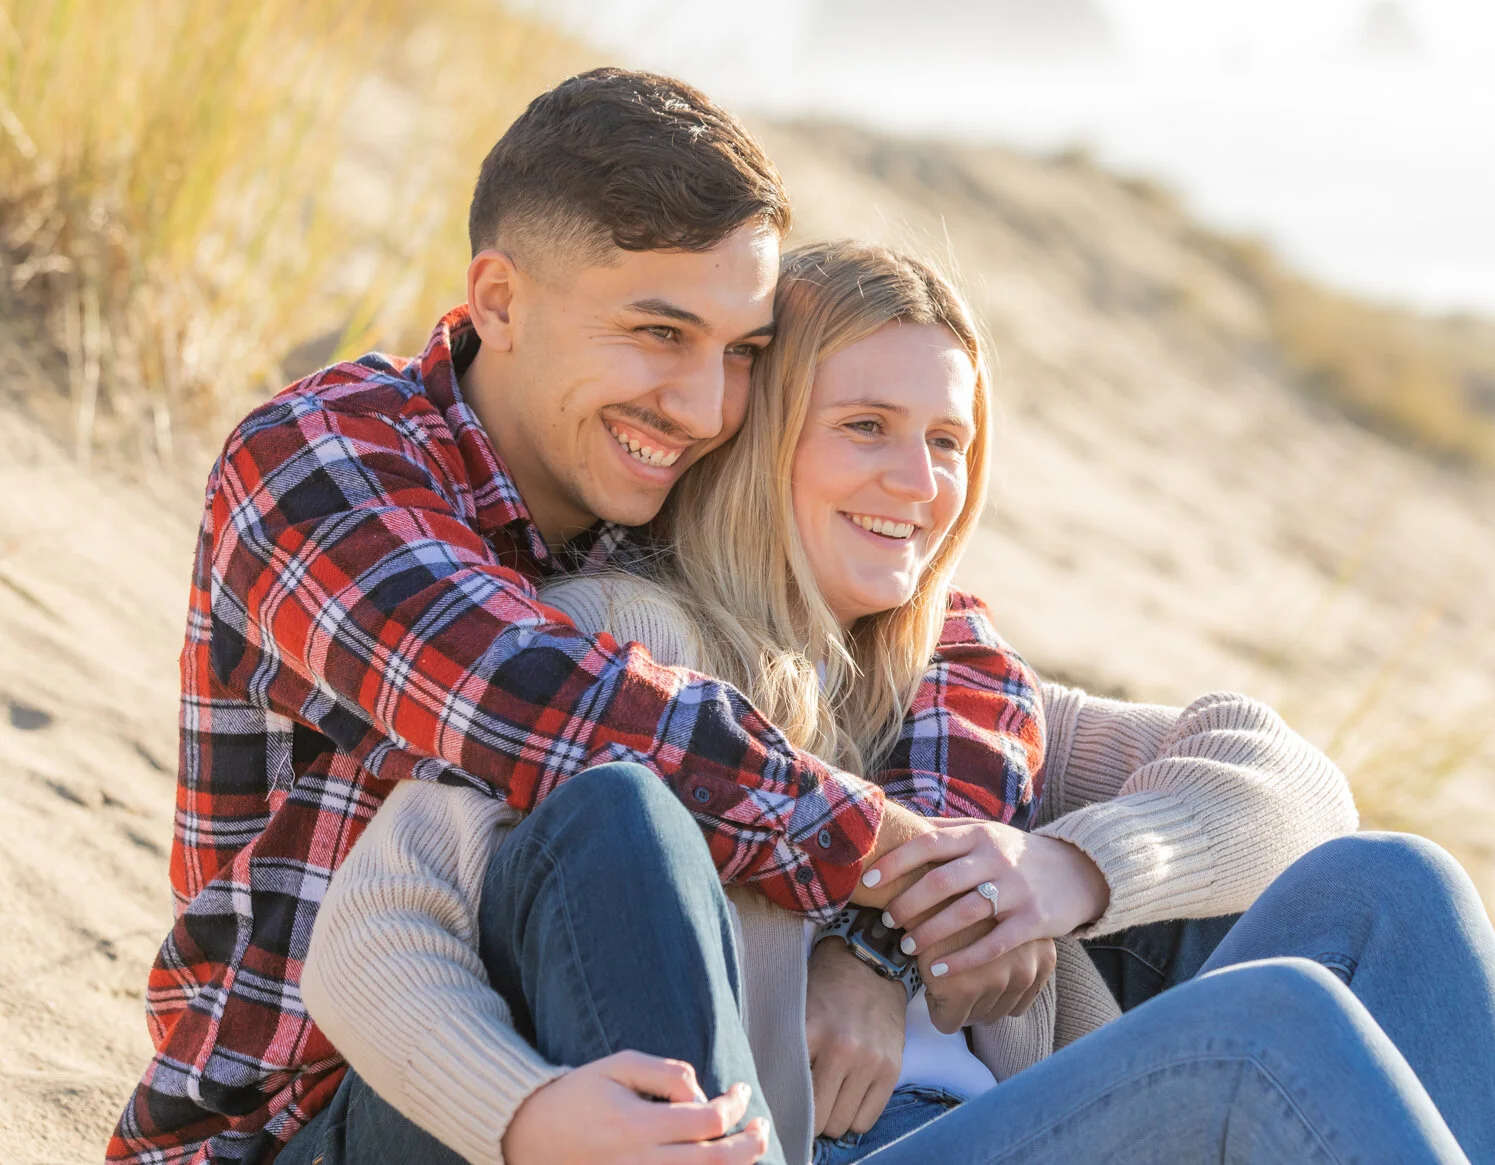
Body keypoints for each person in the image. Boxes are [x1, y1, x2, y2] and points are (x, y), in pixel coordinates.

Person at [299, 243, 1495, 1164]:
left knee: (1398, 887)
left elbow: (1291, 785)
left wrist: (1065, 868)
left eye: (947, 441)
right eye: (864, 427)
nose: (916, 480)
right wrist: (519, 1115)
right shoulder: (632, 646)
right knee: (1267, 1027)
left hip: (1032, 1128)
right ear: (759, 442)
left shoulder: (955, 691)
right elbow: (378, 931)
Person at [108, 71, 1040, 1165]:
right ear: (498, 303)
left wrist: (883, 947)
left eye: (740, 352)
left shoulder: (642, 473)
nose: (702, 407)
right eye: (657, 331)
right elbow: (535, 699)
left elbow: (944, 638)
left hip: (600, 1070)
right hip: (302, 1123)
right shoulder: (325, 461)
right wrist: (874, 847)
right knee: (618, 817)